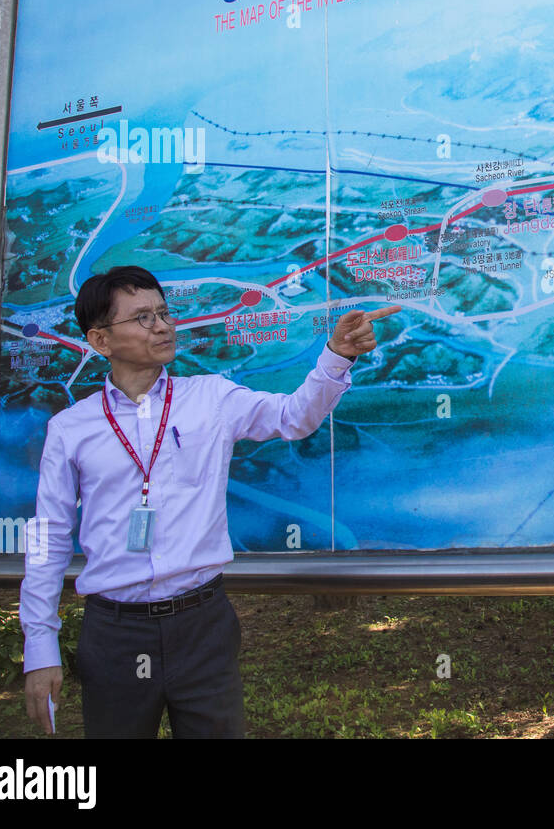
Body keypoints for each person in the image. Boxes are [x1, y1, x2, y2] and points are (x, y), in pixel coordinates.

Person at [20, 265, 397, 737]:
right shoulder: (70, 429)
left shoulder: (210, 399)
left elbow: (293, 417)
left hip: (204, 626)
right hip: (114, 634)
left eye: (163, 312)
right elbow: (48, 537)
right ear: (100, 341)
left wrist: (336, 357)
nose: (162, 325)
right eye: (141, 318)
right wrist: (40, 646)